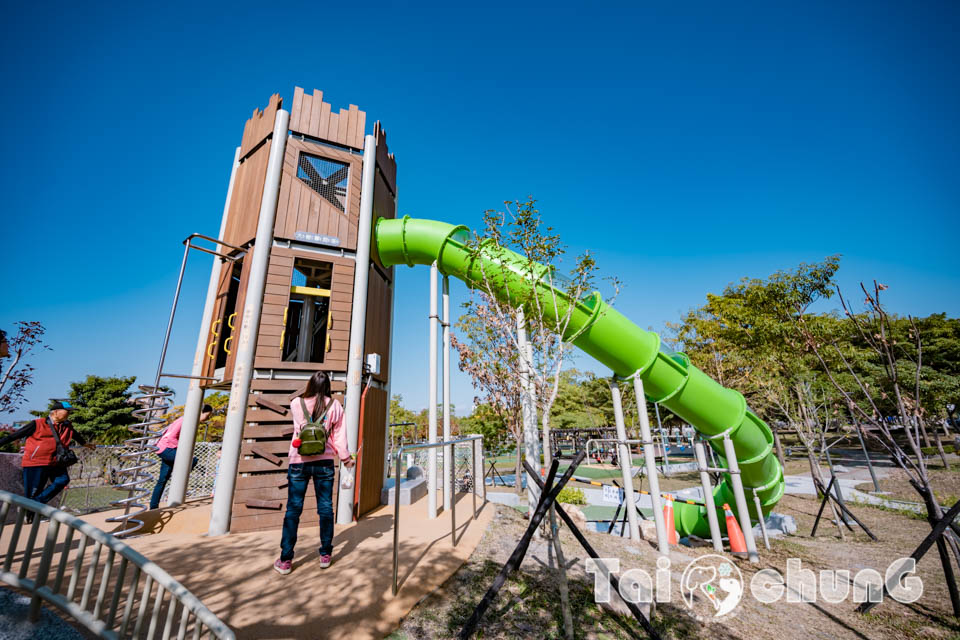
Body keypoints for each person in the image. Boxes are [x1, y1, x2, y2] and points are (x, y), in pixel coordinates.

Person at [274, 371, 354, 575]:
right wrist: (346, 459)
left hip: (298, 461)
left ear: (309, 385)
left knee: (293, 509)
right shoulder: (335, 406)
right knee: (326, 508)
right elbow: (339, 437)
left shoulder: (296, 403)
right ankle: (325, 554)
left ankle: (285, 559)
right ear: (328, 386)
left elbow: (298, 429)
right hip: (325, 462)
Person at [0, 401, 95, 511]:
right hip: (36, 463)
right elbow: (14, 436)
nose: (69, 414)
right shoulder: (37, 423)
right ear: (55, 412)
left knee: (63, 480)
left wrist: (86, 444)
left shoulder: (67, 426)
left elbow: (76, 436)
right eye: (67, 411)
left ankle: (32, 504)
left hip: (56, 462)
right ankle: (29, 515)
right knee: (33, 492)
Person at [149, 404, 212, 510]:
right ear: (201, 412)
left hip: (166, 449)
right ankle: (179, 483)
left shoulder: (188, 421)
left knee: (163, 479)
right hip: (166, 449)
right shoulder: (184, 420)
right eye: (208, 415)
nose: (208, 418)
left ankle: (153, 506)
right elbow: (171, 437)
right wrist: (182, 449)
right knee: (192, 460)